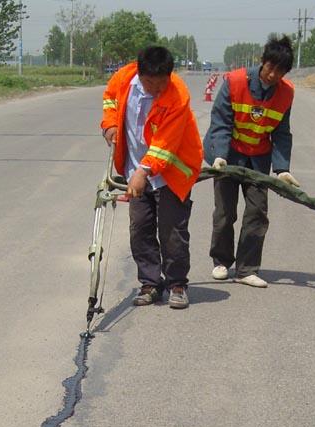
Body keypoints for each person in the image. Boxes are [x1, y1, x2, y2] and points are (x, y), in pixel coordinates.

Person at [101, 46, 203, 309]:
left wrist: (143, 172)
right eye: (149, 83)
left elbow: (165, 144)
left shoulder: (177, 95)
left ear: (170, 76)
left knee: (172, 231)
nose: (156, 90)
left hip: (171, 172)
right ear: (139, 72)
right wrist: (110, 124)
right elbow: (110, 100)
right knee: (140, 227)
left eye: (161, 84)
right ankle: (150, 283)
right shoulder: (123, 78)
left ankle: (177, 284)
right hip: (135, 167)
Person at [203, 35, 299, 288]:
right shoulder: (235, 81)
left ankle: (246, 269)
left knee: (257, 211)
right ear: (262, 62)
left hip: (258, 157)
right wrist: (220, 154)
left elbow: (281, 132)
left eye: (280, 71)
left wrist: (281, 169)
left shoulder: (286, 93)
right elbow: (221, 121)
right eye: (270, 67)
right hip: (229, 154)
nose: (273, 75)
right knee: (225, 211)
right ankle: (221, 261)